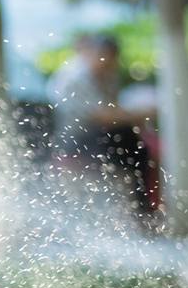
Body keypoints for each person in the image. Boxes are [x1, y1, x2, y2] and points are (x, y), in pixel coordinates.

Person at [49, 32, 159, 219]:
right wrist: (141, 113)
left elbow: (114, 109)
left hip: (98, 135)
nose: (108, 64)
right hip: (76, 140)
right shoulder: (77, 77)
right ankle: (143, 213)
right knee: (134, 144)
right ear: (93, 53)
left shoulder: (106, 75)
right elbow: (104, 116)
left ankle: (143, 210)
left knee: (138, 145)